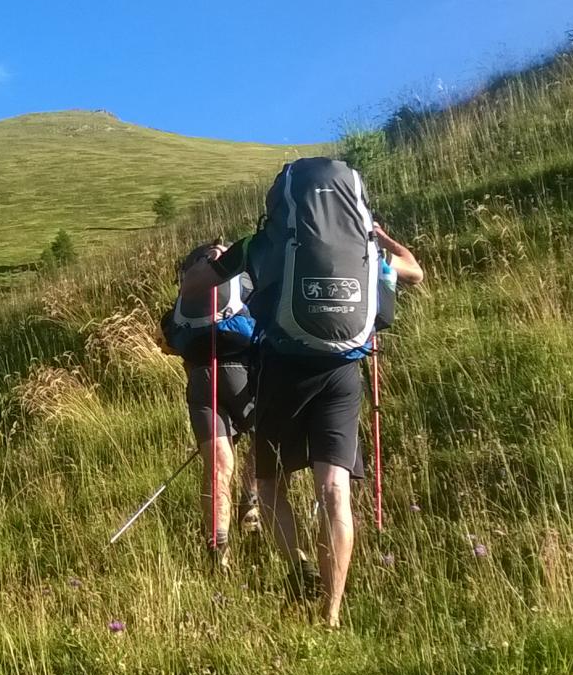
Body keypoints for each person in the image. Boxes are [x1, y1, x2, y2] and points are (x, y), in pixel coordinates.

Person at [181, 159, 423, 627]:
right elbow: (414, 271)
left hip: (282, 371)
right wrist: (379, 236)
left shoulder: (263, 244)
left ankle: (298, 568)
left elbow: (194, 288)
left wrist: (219, 258)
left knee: (270, 488)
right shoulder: (366, 250)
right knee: (334, 491)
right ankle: (330, 614)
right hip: (342, 375)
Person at [158, 241, 262, 567]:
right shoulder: (245, 284)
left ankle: (219, 547)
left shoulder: (183, 302)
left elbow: (168, 343)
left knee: (217, 464)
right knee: (264, 437)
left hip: (202, 383)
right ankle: (251, 501)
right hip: (246, 378)